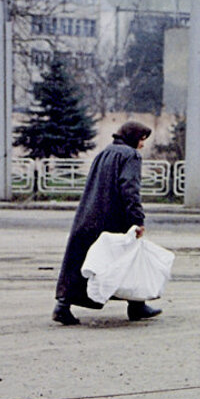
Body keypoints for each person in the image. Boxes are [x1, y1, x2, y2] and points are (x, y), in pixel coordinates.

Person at [52, 120, 162, 325]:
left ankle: (62, 306)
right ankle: (137, 306)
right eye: (141, 140)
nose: (142, 145)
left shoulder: (105, 152)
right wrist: (137, 219)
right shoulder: (131, 155)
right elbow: (129, 188)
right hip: (113, 218)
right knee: (127, 259)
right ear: (133, 139)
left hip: (89, 214)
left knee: (80, 260)